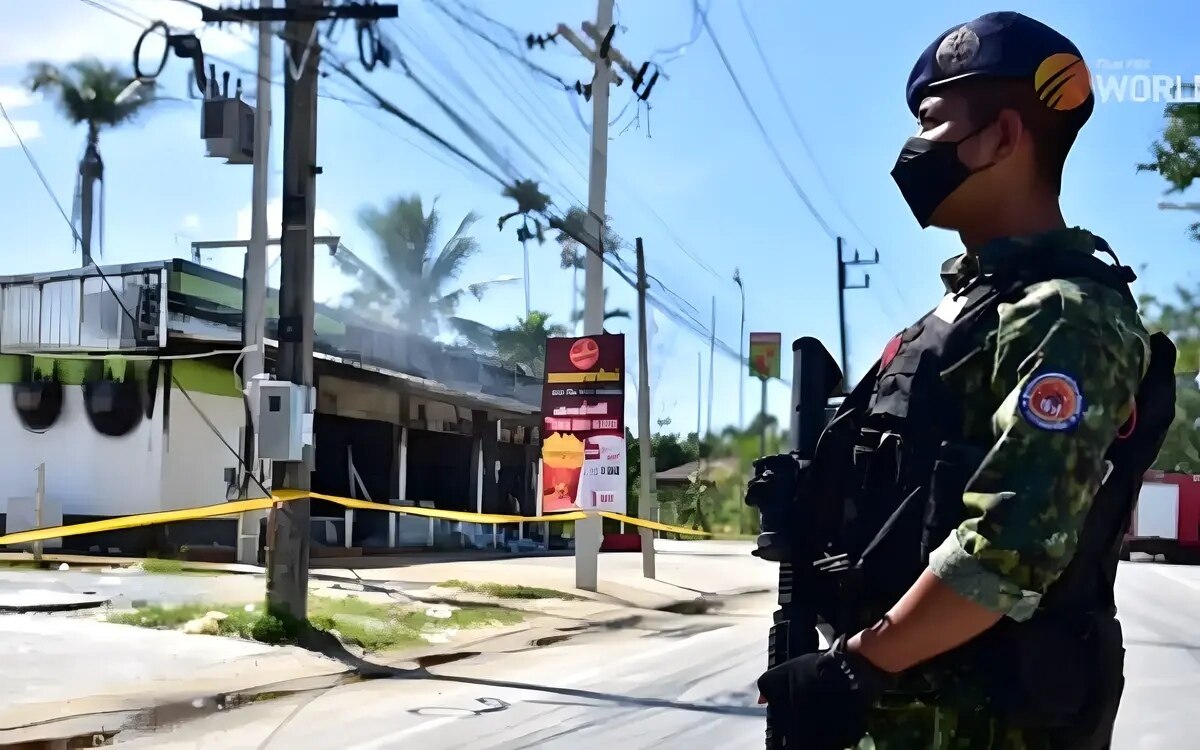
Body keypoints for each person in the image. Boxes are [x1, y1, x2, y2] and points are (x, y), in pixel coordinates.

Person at [750, 11, 1177, 750]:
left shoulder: (1066, 316)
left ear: (1005, 138)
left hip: (982, 723)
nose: (913, 149)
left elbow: (1008, 545)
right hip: (912, 712)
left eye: (932, 121)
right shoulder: (966, 312)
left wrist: (852, 669)